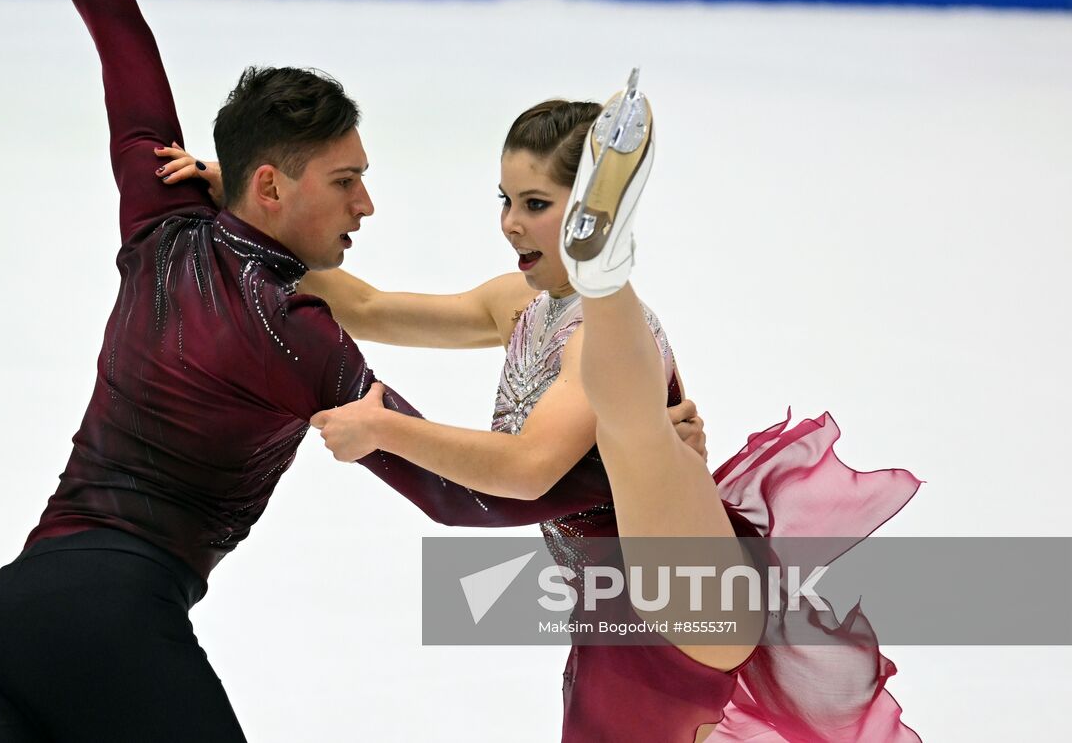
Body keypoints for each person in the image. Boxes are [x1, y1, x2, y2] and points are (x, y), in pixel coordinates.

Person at [0, 0, 704, 742]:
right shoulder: (297, 338)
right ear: (270, 185)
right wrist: (637, 468)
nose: (367, 203)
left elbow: (117, 38)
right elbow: (467, 496)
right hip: (110, 625)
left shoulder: (160, 219)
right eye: (344, 183)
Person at [161, 82, 922, 741]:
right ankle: (607, 272)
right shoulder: (518, 302)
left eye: (535, 205)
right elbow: (362, 302)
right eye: (506, 201)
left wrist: (384, 428)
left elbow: (526, 471)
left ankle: (609, 272)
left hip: (676, 582)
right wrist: (248, 197)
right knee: (631, 425)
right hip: (622, 611)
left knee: (626, 418)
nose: (509, 222)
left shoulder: (583, 336)